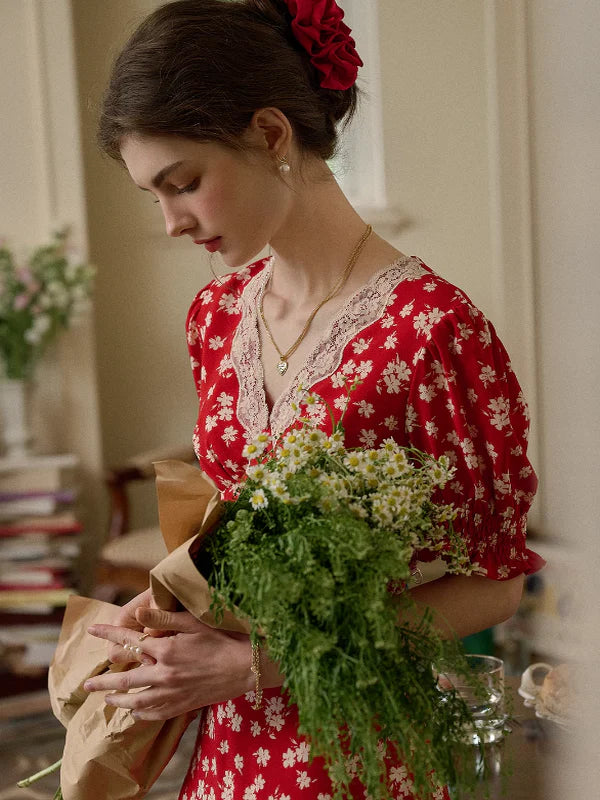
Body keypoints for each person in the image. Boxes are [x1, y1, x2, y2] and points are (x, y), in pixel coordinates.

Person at [84, 1, 545, 798]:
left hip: (359, 751)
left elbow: (496, 585)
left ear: (270, 135)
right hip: (228, 751)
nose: (169, 223)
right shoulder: (216, 316)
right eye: (152, 195)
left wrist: (255, 665)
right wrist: (173, 612)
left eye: (184, 183)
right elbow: (233, 536)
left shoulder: (432, 333)